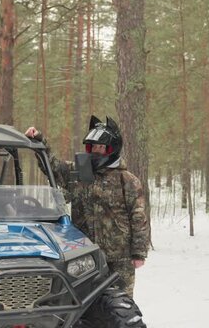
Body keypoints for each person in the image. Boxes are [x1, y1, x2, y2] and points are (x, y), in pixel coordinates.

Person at [25, 115, 149, 297]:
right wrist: (39, 140)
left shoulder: (127, 180)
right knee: (84, 301)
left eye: (101, 147)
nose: (96, 151)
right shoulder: (78, 174)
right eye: (93, 147)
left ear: (111, 149)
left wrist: (138, 253)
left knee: (121, 302)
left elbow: (138, 217)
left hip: (119, 257)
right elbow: (52, 166)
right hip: (84, 254)